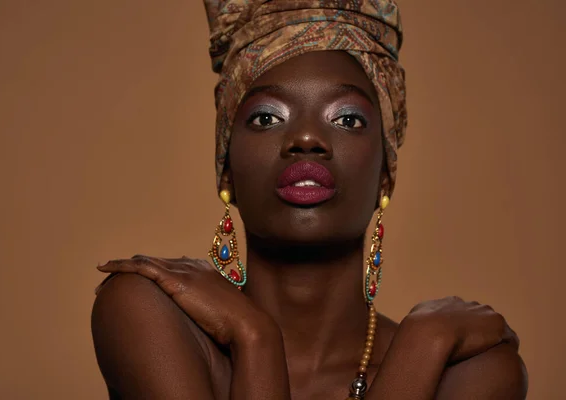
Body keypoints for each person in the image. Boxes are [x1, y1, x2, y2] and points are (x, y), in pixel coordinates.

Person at [91, 1, 528, 399]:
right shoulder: (148, 313)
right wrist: (255, 334)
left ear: (384, 177)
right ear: (226, 168)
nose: (306, 138)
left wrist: (422, 344)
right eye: (266, 118)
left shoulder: (470, 372)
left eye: (347, 118)